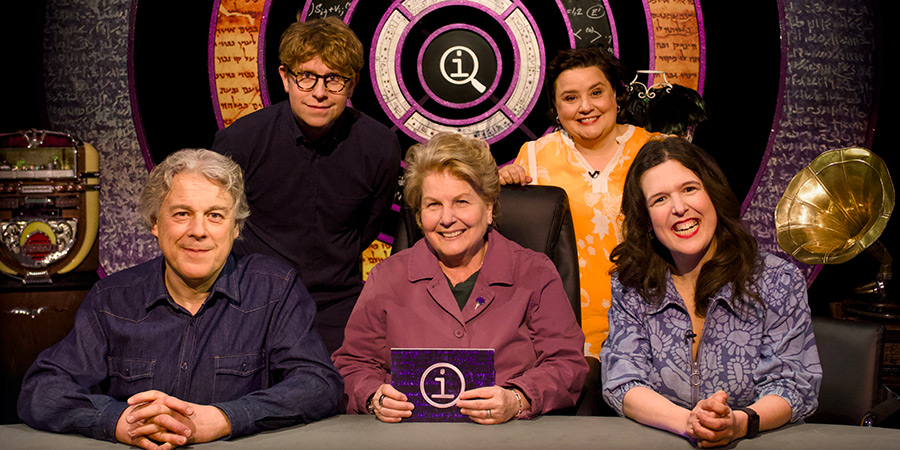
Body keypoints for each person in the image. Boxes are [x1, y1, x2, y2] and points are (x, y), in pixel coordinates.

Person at [18, 149, 343, 449]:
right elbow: (42, 391)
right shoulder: (111, 299)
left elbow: (318, 385)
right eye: (182, 214)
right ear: (156, 223)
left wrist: (224, 418)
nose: (198, 230)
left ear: (235, 228)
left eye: (215, 215)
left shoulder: (275, 290)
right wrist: (119, 422)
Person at [333, 133, 588, 423]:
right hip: (411, 438)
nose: (446, 218)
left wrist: (518, 398)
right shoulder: (387, 277)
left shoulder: (535, 273)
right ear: (419, 217)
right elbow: (352, 363)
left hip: (508, 437)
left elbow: (567, 363)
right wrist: (373, 396)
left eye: (461, 202)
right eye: (433, 205)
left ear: (489, 208)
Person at [600, 137, 821, 447]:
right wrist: (688, 423)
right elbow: (621, 380)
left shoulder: (777, 280)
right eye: (660, 199)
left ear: (713, 194)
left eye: (689, 189)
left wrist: (738, 424)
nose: (679, 208)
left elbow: (794, 385)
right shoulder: (632, 284)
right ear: (647, 221)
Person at [211, 16, 401, 353]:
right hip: (252, 300)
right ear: (285, 77)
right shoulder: (240, 141)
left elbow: (369, 226)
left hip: (337, 305)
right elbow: (219, 225)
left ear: (352, 83)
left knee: (341, 394)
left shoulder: (379, 146)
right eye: (306, 77)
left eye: (334, 80)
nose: (319, 92)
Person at [498, 47, 662, 357]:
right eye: (570, 98)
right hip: (560, 336)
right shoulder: (533, 158)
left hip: (650, 331)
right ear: (556, 108)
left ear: (617, 94)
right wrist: (506, 192)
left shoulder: (658, 152)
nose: (585, 107)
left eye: (597, 92)